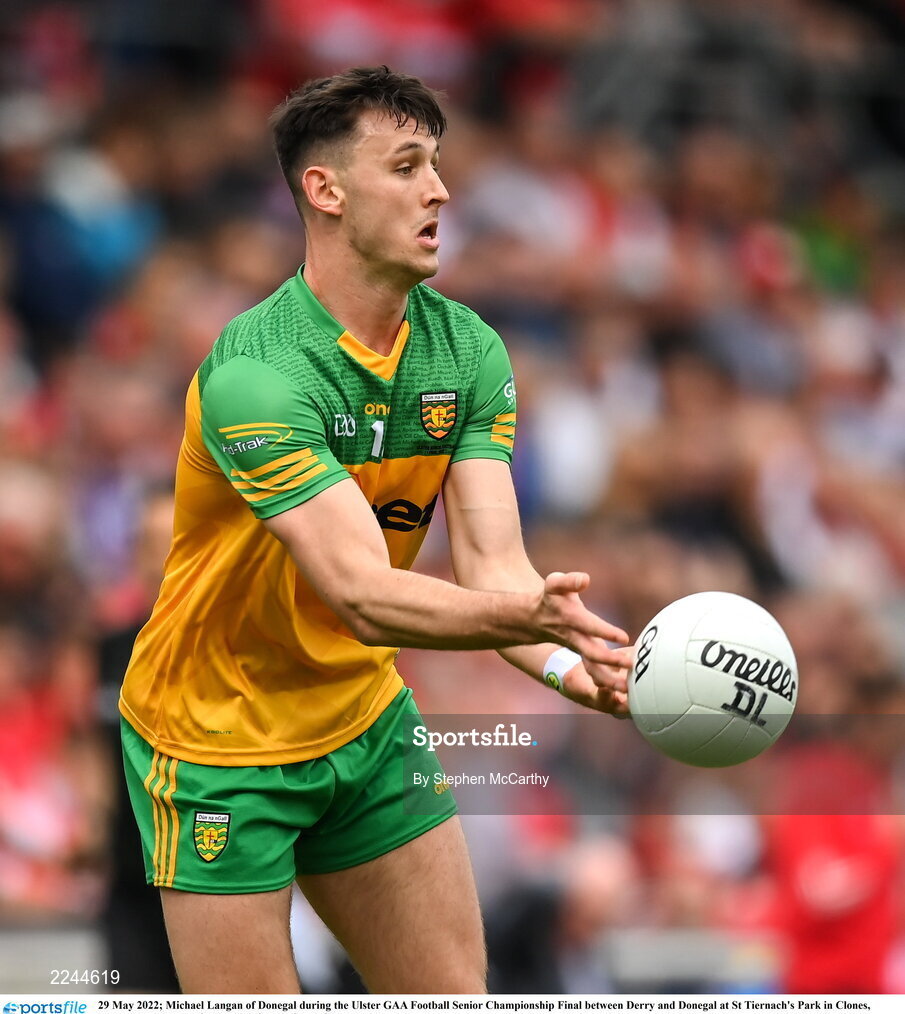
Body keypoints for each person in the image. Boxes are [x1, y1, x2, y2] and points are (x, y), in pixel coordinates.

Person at [119, 65, 632, 995]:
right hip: (216, 744)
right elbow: (361, 595)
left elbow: (497, 570)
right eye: (405, 167)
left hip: (364, 718)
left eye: (435, 164)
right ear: (326, 191)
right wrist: (532, 620)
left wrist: (577, 665)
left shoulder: (467, 351)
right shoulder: (256, 376)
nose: (439, 190)